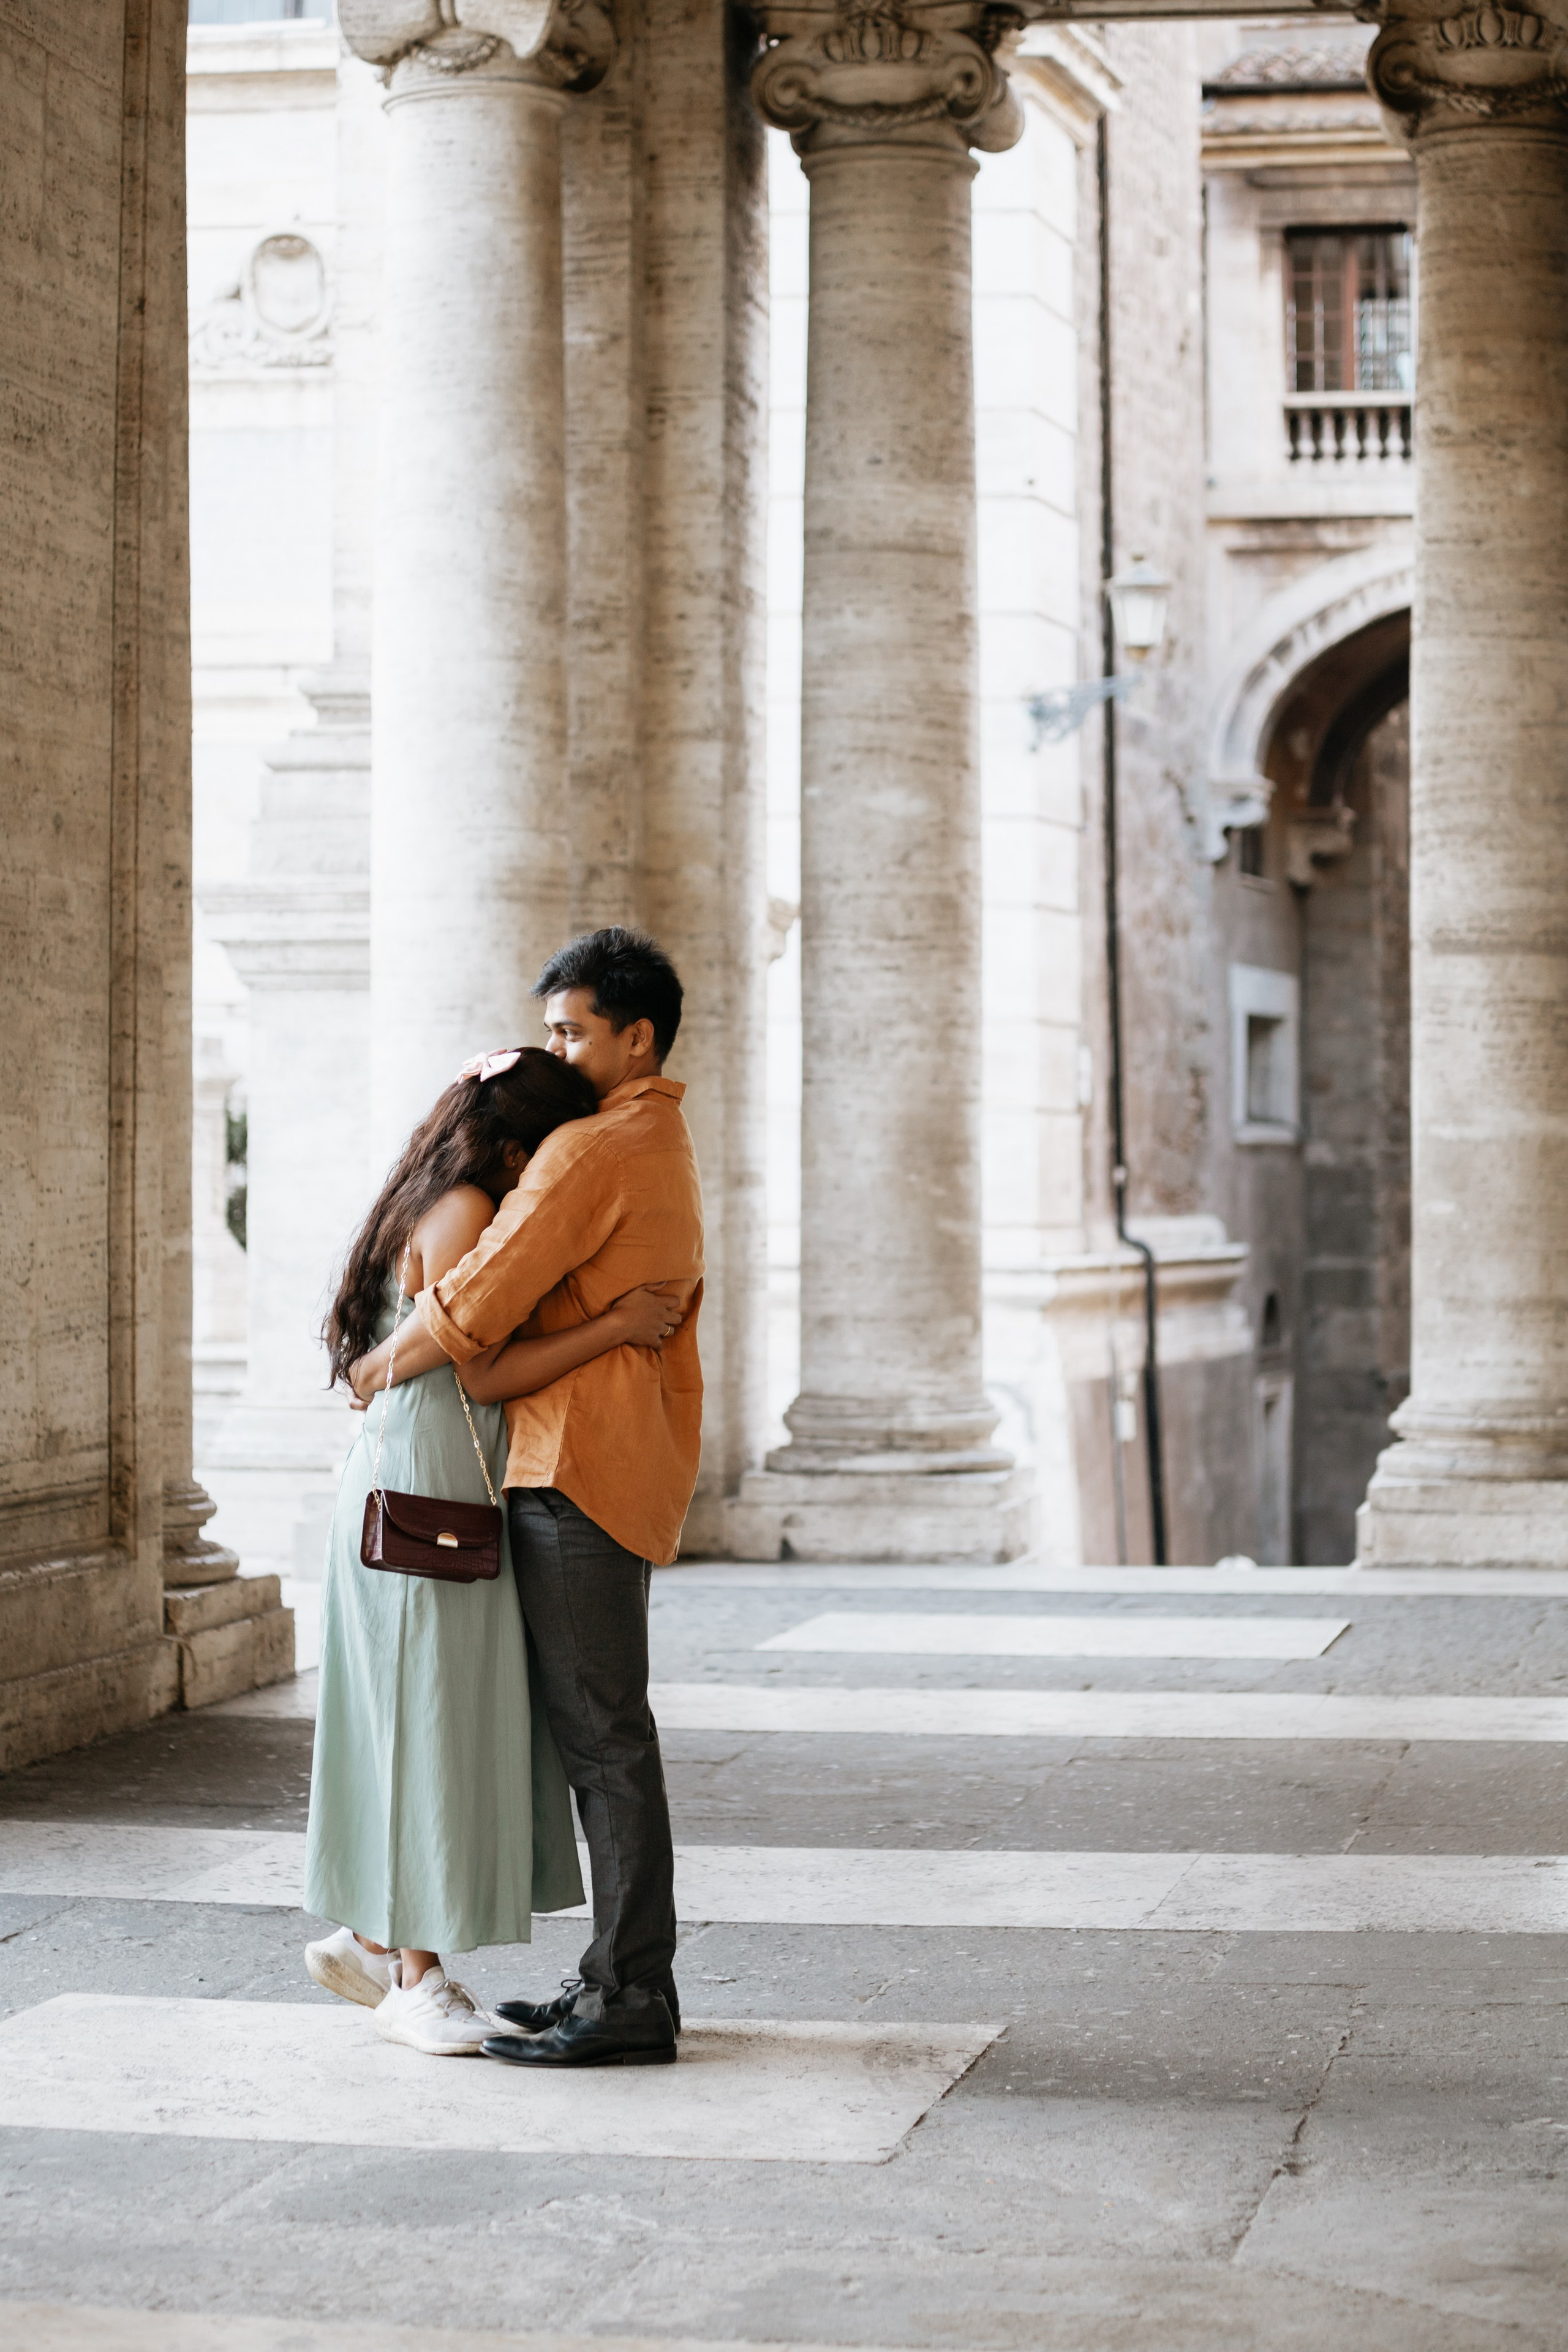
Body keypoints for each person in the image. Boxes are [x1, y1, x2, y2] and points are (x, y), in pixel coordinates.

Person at [349, 927, 703, 2069]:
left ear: (634, 1038)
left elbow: (475, 1306)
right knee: (606, 1737)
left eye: (571, 1030)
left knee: (604, 1742)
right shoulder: (655, 1135)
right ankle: (614, 1979)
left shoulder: (595, 1149)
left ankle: (630, 1995)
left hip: (574, 1465)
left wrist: (373, 1369)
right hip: (606, 1456)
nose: (552, 1048)